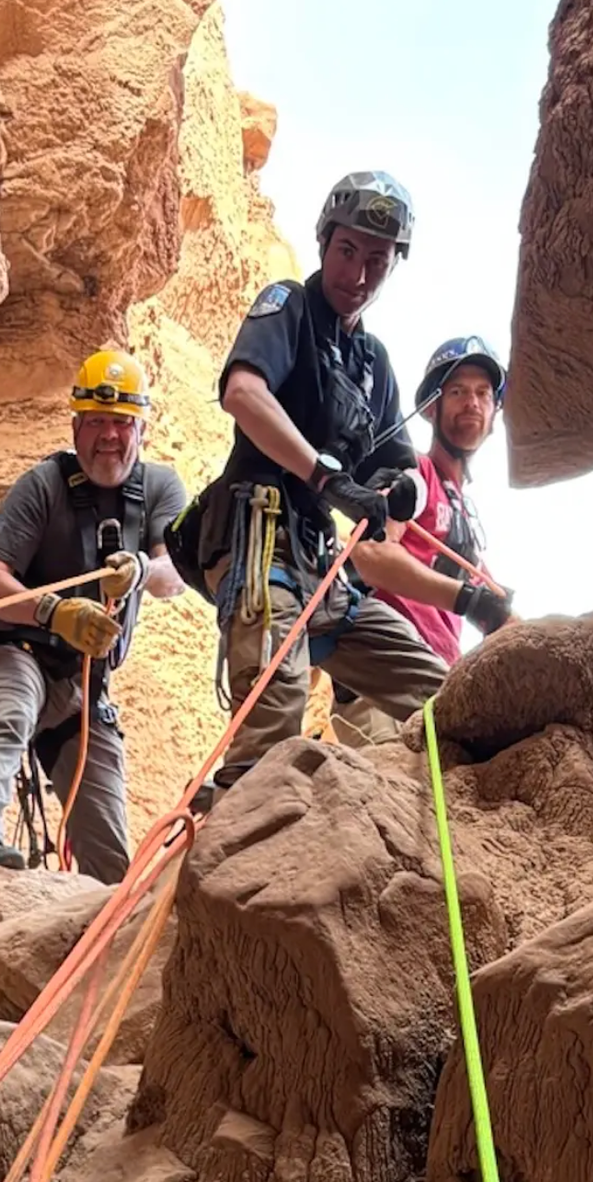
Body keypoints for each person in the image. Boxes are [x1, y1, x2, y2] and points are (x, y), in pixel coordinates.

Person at [189, 170, 449, 802]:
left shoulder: (374, 362)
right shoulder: (290, 308)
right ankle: (220, 841)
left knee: (441, 692)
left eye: (377, 261)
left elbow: (402, 466)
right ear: (325, 242)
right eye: (347, 252)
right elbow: (244, 393)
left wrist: (401, 490)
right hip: (259, 540)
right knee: (276, 711)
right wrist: (324, 476)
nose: (358, 274)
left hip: (321, 569)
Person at [0, 348, 188, 890]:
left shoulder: (157, 491)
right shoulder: (44, 486)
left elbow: (178, 574)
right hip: (18, 655)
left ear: (141, 429)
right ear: (76, 425)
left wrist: (141, 569)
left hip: (84, 687)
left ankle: (106, 919)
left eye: (122, 422)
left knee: (109, 846)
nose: (109, 435)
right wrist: (52, 611)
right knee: (10, 716)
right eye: (98, 422)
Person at [327, 336, 517, 743]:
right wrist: (467, 599)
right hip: (388, 677)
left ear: (495, 413)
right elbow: (370, 552)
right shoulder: (415, 475)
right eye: (458, 392)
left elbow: (501, 614)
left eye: (483, 393)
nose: (472, 402)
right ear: (431, 406)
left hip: (436, 681)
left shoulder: (465, 515)